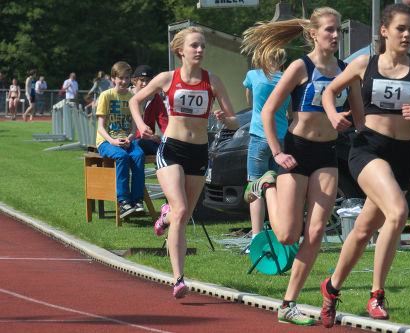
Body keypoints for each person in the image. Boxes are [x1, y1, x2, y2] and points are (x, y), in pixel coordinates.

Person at [319, 3, 410, 325]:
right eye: (401, 29)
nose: (407, 35)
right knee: (398, 212)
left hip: (403, 155)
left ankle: (331, 287)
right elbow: (329, 92)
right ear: (384, 31)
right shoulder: (365, 63)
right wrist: (335, 114)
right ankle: (377, 294)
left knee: (363, 231)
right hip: (367, 150)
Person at [242, 7, 363, 326]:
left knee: (317, 230)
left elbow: (360, 119)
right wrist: (277, 151)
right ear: (313, 34)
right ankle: (266, 186)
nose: (336, 35)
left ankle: (288, 303)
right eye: (329, 30)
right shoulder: (300, 67)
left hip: (326, 155)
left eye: (338, 30)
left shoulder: (346, 70)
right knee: (285, 236)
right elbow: (268, 112)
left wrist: (366, 130)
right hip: (296, 152)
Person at [129, 26, 239, 299]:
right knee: (180, 209)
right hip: (172, 149)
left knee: (184, 214)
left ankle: (164, 217)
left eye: (202, 46)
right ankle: (178, 279)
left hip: (199, 152)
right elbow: (135, 100)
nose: (200, 50)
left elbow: (235, 120)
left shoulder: (213, 81)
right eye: (194, 46)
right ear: (180, 51)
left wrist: (227, 120)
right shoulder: (167, 78)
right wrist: (142, 124)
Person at [241, 49, 290, 243]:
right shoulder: (287, 78)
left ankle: (257, 237)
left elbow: (249, 100)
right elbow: (290, 109)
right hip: (282, 139)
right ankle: (279, 234)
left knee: (255, 189)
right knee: (277, 188)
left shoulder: (253, 75)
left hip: (260, 136)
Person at [96, 61, 146, 219]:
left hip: (127, 140)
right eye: (120, 78)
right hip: (107, 142)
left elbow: (134, 127)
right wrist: (112, 141)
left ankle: (137, 200)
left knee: (139, 155)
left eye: (126, 78)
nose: (124, 81)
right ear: (113, 79)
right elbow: (100, 127)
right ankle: (123, 201)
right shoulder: (106, 96)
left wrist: (130, 139)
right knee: (121, 156)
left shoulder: (134, 98)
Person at [129, 65, 168, 155]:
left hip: (149, 140)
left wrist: (170, 139)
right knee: (161, 153)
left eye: (148, 80)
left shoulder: (156, 97)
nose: (145, 84)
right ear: (135, 81)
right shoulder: (127, 96)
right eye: (142, 80)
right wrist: (150, 137)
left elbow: (163, 121)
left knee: (169, 150)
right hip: (130, 138)